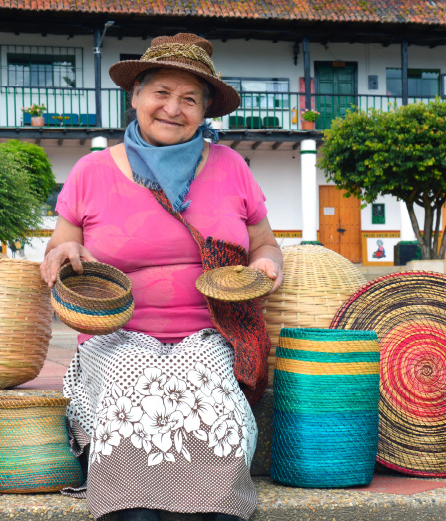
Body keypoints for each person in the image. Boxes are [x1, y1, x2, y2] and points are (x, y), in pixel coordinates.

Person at [40, 33, 283, 521]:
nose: (173, 108)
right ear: (136, 97)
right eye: (161, 93)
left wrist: (266, 266)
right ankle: (129, 506)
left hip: (208, 335)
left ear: (205, 110)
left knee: (217, 408)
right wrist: (63, 250)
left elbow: (265, 243)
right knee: (133, 398)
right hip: (119, 338)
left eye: (190, 99)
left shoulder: (231, 166)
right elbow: (56, 250)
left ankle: (215, 507)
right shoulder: (91, 171)